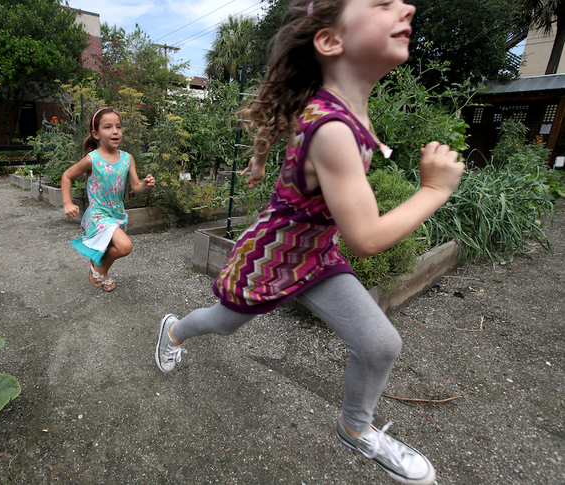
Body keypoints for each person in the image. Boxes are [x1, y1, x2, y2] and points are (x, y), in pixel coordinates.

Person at [155, 1, 464, 484]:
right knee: (222, 324)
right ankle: (173, 331)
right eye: (382, 3)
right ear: (331, 41)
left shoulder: (338, 108)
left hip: (316, 256)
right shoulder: (335, 129)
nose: (407, 5)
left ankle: (354, 427)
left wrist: (259, 161)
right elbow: (365, 238)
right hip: (270, 258)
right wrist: (434, 190)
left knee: (380, 345)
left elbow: (273, 122)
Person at [62, 107, 155, 292]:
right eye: (108, 127)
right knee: (125, 246)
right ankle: (98, 270)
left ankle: (102, 273)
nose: (115, 131)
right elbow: (67, 176)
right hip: (98, 214)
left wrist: (144, 186)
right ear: (95, 134)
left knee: (110, 247)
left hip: (117, 213)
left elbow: (135, 186)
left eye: (118, 127)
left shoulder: (127, 158)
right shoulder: (92, 159)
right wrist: (67, 202)